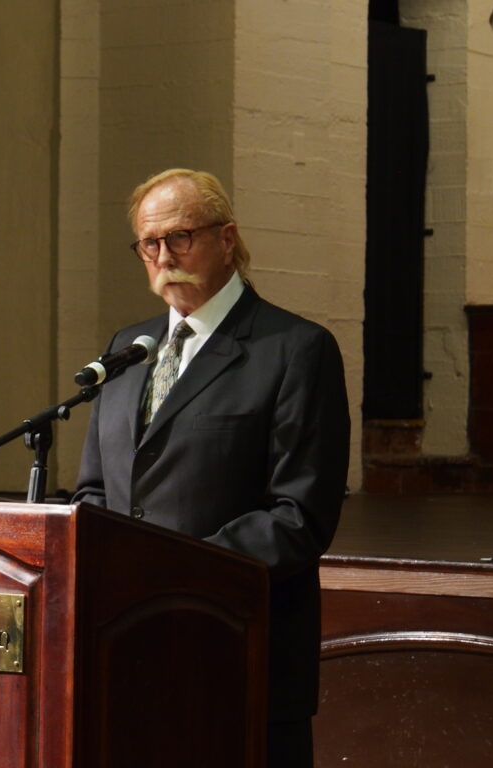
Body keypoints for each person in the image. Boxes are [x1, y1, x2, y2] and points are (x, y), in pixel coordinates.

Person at [73, 168, 350, 767]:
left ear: (227, 240)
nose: (163, 255)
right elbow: (94, 491)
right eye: (149, 243)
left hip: (238, 653)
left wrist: (178, 575)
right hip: (125, 653)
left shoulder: (296, 350)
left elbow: (300, 515)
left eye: (180, 237)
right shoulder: (127, 349)